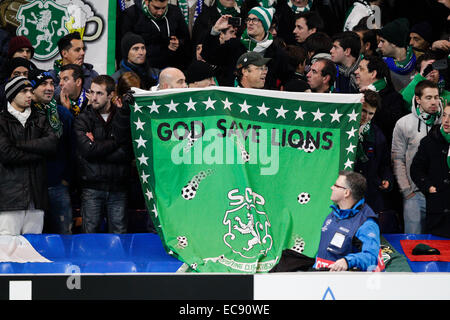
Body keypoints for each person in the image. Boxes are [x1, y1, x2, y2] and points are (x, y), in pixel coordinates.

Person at [74, 75, 133, 234]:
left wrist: (97, 148)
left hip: (118, 188)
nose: (93, 98)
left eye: (99, 93)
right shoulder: (83, 119)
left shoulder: (123, 116)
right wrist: (116, 141)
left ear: (111, 95)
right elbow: (87, 151)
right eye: (92, 92)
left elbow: (127, 153)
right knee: (89, 236)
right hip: (92, 189)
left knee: (119, 236)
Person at [0, 76, 58, 235]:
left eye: (31, 91)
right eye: (24, 91)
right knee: (7, 248)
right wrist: (39, 153)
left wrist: (19, 145)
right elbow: (6, 154)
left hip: (37, 196)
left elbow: (52, 145)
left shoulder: (40, 119)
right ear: (11, 95)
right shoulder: (1, 121)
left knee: (34, 249)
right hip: (9, 199)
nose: (29, 95)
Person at [391, 80, 442, 234]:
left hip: (441, 193)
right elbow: (397, 159)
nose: (434, 102)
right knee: (413, 243)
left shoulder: (445, 121)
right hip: (414, 193)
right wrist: (406, 190)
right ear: (418, 99)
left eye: (436, 97)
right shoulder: (403, 124)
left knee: (441, 243)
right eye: (429, 97)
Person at [201, 6, 293, 89]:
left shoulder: (276, 52)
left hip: (263, 104)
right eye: (248, 19)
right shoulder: (235, 45)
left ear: (266, 25)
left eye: (255, 20)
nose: (250, 23)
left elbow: (288, 79)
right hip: (233, 100)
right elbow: (208, 56)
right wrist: (215, 30)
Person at [29, 69, 74, 234]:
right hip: (31, 187)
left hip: (57, 186)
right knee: (33, 237)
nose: (49, 88)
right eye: (43, 84)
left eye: (51, 84)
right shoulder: (23, 115)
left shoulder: (63, 114)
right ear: (32, 89)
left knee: (65, 236)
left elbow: (72, 150)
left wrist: (66, 179)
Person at [314, 171, 383, 272]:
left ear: (346, 192)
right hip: (322, 277)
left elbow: (371, 258)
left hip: (345, 283)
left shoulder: (367, 223)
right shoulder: (334, 214)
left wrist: (347, 261)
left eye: (336, 185)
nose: (331, 187)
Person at [410, 102, 450, 238]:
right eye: (444, 115)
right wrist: (429, 187)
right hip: (437, 208)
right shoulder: (429, 141)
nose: (447, 120)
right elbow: (416, 169)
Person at [119, 0, 192, 70]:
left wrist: (178, 42)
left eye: (163, 8)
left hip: (173, 66)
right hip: (145, 68)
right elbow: (125, 46)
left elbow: (186, 39)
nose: (160, 12)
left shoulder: (175, 12)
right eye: (156, 8)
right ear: (147, 1)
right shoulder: (131, 14)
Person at [354, 90, 394, 216]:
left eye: (371, 113)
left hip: (370, 197)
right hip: (347, 194)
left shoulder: (378, 135)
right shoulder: (343, 130)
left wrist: (387, 179)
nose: (366, 117)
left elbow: (385, 164)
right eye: (364, 111)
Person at [354, 55, 407, 148]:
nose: (355, 72)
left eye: (361, 69)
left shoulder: (394, 99)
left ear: (373, 73)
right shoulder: (355, 95)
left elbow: (391, 127)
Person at [378, 18, 417, 91]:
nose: (379, 45)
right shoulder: (381, 64)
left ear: (394, 43)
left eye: (382, 41)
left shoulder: (419, 59)